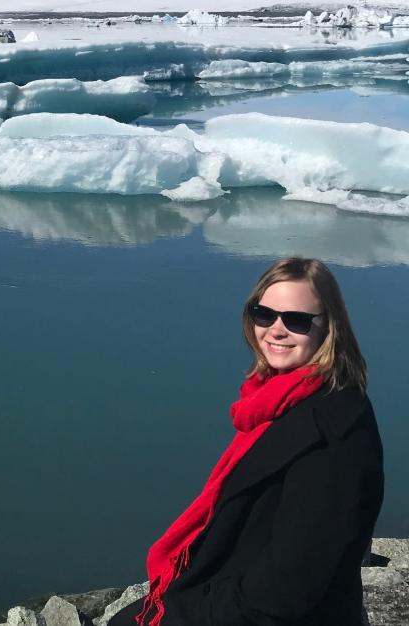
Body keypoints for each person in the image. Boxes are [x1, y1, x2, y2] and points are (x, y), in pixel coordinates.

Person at [108, 257, 384, 626]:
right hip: (240, 591)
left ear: (329, 328)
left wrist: (183, 614)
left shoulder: (334, 432)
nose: (276, 330)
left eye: (297, 320)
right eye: (264, 314)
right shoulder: (279, 400)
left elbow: (289, 588)